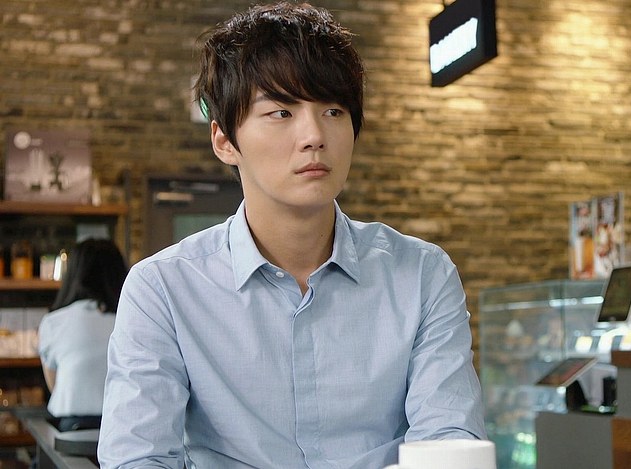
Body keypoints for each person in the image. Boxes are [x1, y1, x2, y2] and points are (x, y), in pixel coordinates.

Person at [98, 2, 487, 468]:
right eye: (281, 112)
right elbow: (139, 458)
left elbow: (448, 442)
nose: (313, 136)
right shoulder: (162, 288)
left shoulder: (422, 273)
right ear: (224, 141)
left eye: (333, 110)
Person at [38, 238, 127, 432]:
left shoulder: (54, 322)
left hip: (73, 430)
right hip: (125, 425)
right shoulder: (131, 319)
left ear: (72, 275)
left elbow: (55, 385)